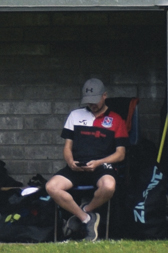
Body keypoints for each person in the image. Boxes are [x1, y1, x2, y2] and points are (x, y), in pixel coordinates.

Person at [46, 76, 126, 237]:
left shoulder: (116, 119)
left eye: (95, 101)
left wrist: (98, 162)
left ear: (104, 96)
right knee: (51, 187)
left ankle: (86, 209)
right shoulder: (75, 115)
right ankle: (86, 218)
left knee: (109, 186)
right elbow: (67, 147)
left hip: (102, 166)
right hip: (77, 166)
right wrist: (71, 162)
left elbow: (120, 154)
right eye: (88, 101)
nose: (92, 105)